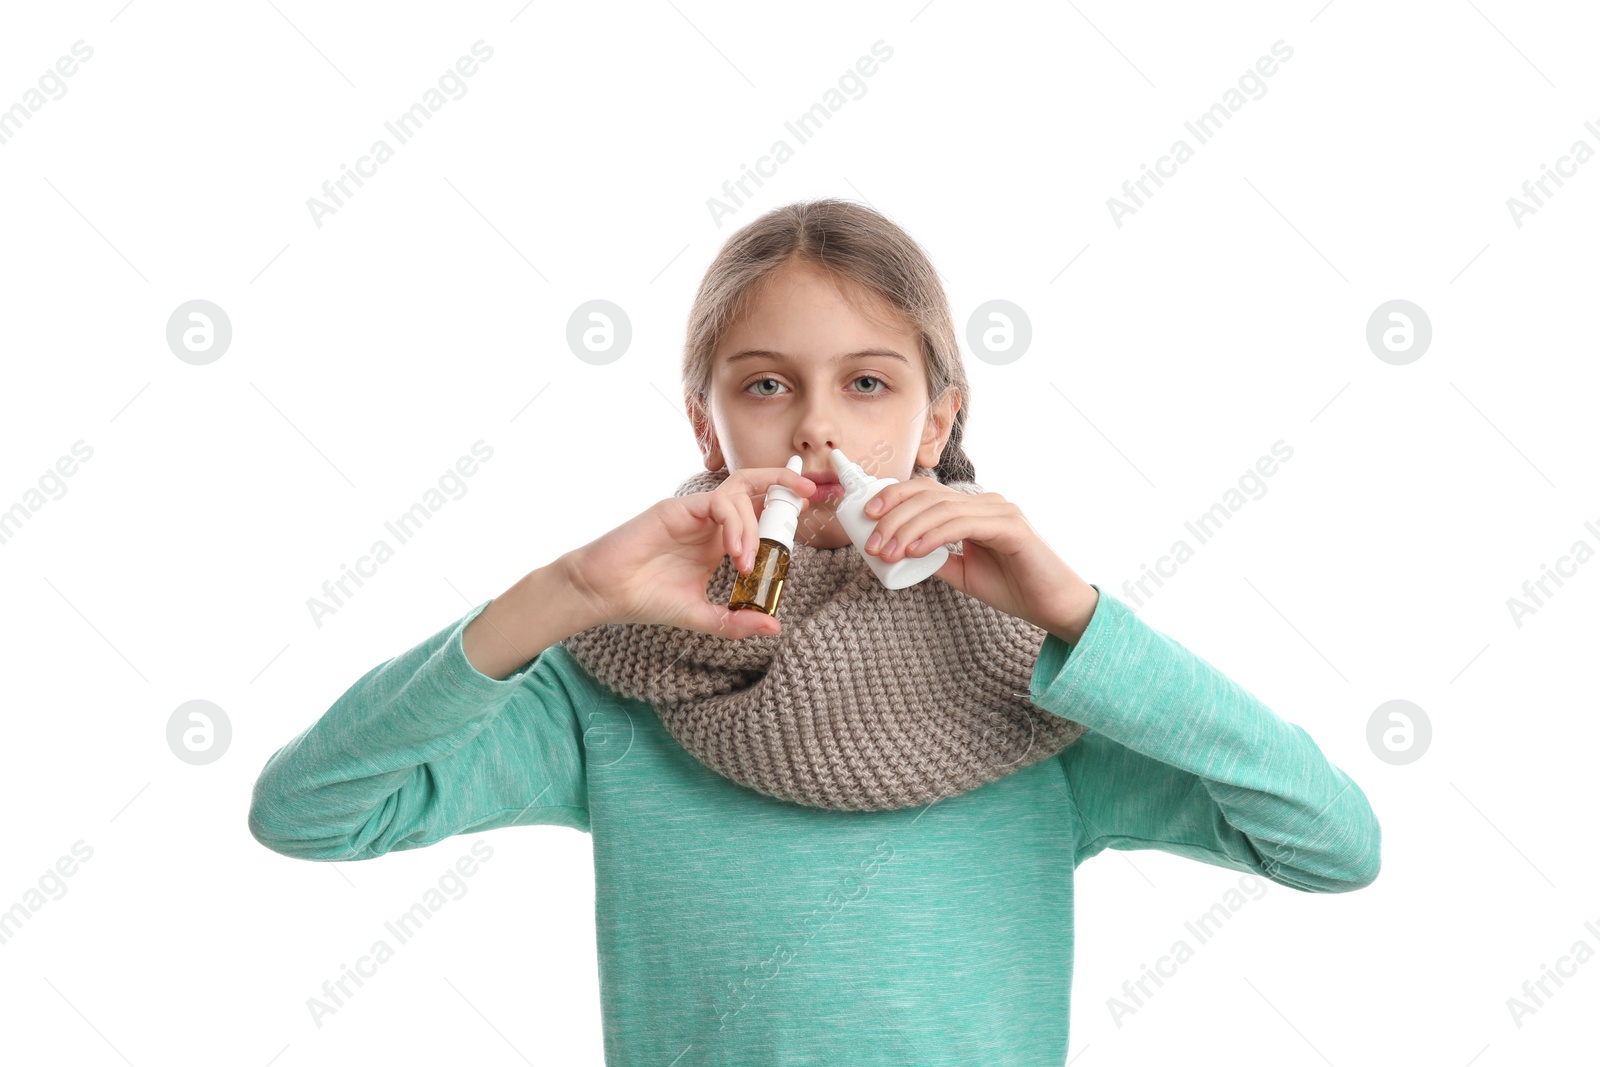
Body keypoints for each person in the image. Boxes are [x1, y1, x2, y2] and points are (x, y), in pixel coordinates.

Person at [248, 198, 1381, 1066]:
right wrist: (566, 592)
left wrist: (1079, 621)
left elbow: (1332, 843)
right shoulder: (618, 683)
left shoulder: (1042, 693)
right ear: (706, 420)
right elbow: (308, 812)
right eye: (767, 384)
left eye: (870, 383)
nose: (819, 425)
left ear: (937, 420)